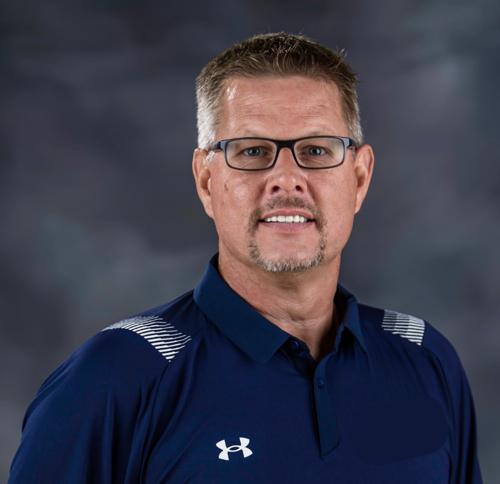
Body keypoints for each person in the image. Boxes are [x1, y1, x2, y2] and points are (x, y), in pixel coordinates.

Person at [9, 32, 482, 484]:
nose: (286, 179)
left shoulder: (424, 359)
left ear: (359, 178)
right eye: (252, 151)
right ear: (206, 181)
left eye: (316, 150)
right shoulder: (116, 378)